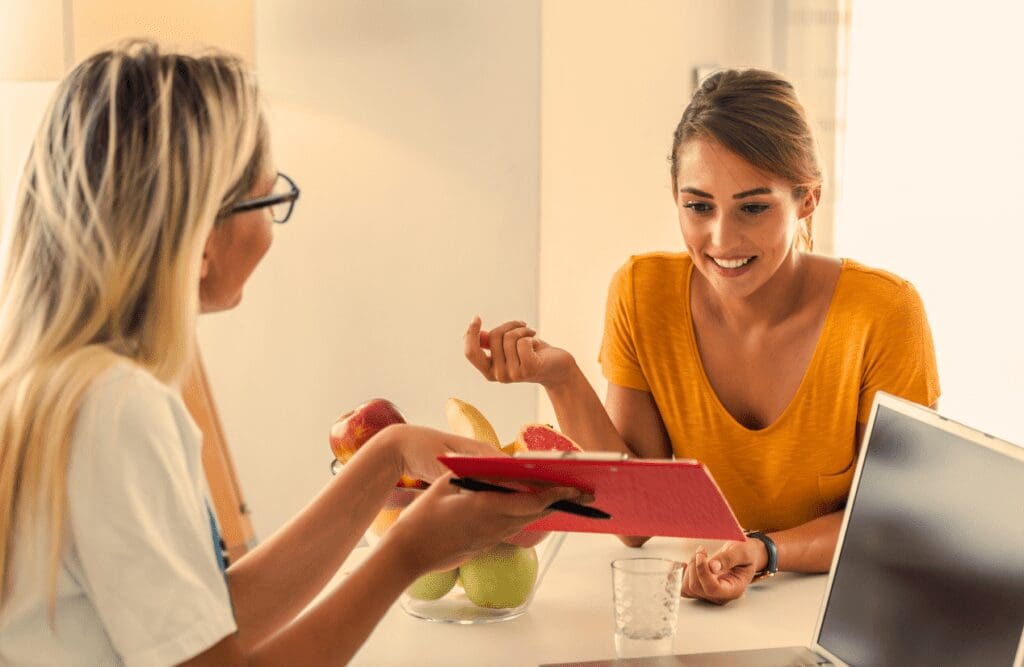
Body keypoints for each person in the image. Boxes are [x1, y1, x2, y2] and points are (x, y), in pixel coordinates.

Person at [0, 41, 583, 665]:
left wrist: (388, 454)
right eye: (267, 200)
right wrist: (407, 556)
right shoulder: (120, 410)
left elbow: (214, 621)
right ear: (198, 236)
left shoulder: (56, 387)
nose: (271, 230)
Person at [464, 69, 939, 605]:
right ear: (676, 197)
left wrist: (762, 551)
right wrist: (561, 378)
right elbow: (636, 519)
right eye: (698, 206)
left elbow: (895, 522)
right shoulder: (641, 293)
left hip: (845, 608)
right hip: (702, 612)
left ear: (807, 198)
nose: (721, 239)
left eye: (753, 207)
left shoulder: (884, 313)